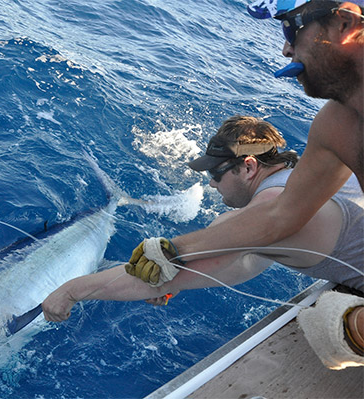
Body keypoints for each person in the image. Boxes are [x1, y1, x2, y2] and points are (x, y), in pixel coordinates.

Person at [122, 0, 364, 369]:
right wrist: (175, 254)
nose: (285, 48)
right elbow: (278, 220)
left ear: (345, 22)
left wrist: (354, 328)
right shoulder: (336, 124)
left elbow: (263, 232)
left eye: (291, 28)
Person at [43, 117, 364, 369]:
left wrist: (72, 290)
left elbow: (155, 280)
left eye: (217, 172)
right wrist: (186, 279)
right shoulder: (311, 177)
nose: (210, 182)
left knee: (331, 328)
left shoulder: (260, 217)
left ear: (249, 166)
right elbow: (246, 262)